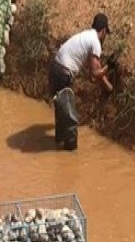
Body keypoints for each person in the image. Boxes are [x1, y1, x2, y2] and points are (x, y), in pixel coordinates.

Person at [48, 13, 114, 150]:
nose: (105, 37)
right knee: (71, 121)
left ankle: (59, 144)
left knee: (61, 114)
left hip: (55, 69)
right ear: (102, 31)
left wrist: (108, 87)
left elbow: (93, 73)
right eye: (106, 33)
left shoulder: (86, 36)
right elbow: (96, 73)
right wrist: (110, 67)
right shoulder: (95, 42)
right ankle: (70, 159)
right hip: (63, 74)